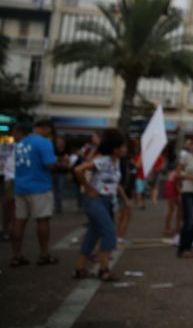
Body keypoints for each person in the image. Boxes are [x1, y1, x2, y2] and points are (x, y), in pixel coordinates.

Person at [72, 129, 130, 281]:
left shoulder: (115, 162)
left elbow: (114, 183)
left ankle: (80, 268)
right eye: (123, 146)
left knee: (92, 235)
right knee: (109, 233)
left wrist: (125, 199)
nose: (125, 149)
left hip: (108, 201)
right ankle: (104, 270)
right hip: (96, 201)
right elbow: (78, 170)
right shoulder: (103, 161)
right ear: (115, 148)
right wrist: (89, 188)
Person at [10, 120, 63, 267]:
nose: (50, 134)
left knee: (19, 221)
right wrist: (63, 165)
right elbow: (49, 164)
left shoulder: (20, 143)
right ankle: (44, 254)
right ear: (45, 129)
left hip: (20, 186)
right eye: (50, 131)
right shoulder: (44, 143)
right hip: (39, 186)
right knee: (43, 220)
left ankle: (16, 255)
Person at [116, 140, 137, 244]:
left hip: (127, 193)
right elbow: (118, 183)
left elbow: (133, 178)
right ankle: (119, 238)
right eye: (123, 148)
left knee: (127, 215)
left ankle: (120, 236)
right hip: (122, 193)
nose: (124, 149)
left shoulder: (130, 162)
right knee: (124, 215)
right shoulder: (120, 162)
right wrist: (126, 198)